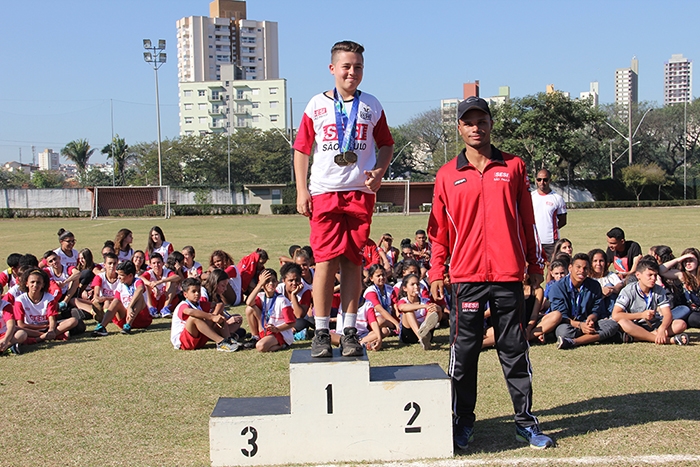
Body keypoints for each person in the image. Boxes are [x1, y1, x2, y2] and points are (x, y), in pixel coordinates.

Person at [427, 96, 552, 450]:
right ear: (459, 128)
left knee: (513, 348)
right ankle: (462, 422)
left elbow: (527, 219)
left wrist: (533, 264)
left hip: (508, 275)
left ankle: (525, 423)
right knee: (463, 354)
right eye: (469, 122)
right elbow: (439, 231)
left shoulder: (513, 166)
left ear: (491, 124)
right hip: (465, 278)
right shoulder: (447, 175)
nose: (476, 127)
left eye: (482, 121)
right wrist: (438, 270)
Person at [293, 40, 394, 358]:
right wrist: (301, 189)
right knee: (324, 263)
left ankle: (349, 330)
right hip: (324, 192)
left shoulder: (372, 105)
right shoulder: (316, 105)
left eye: (358, 66)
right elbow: (301, 149)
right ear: (332, 68)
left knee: (353, 262)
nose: (352, 72)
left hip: (360, 194)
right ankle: (322, 331)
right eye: (346, 66)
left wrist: (378, 171)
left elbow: (386, 144)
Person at [612, 256, 688, 345]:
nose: (653, 278)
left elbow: (668, 314)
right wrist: (641, 315)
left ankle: (637, 337)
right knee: (623, 322)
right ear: (638, 275)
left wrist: (662, 329)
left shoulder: (659, 290)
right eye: (650, 275)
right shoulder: (628, 290)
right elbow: (616, 315)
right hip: (634, 324)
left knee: (681, 324)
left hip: (653, 324)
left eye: (655, 275)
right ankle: (668, 340)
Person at [551, 253, 620, 349]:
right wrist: (580, 325)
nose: (582, 271)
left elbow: (597, 309)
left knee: (612, 325)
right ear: (570, 268)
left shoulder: (594, 285)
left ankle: (574, 342)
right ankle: (593, 337)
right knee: (563, 331)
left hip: (588, 323)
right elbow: (562, 315)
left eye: (585, 268)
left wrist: (591, 319)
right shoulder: (557, 287)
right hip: (570, 324)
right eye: (578, 267)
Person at [170, 278, 238, 352]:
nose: (197, 294)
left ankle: (228, 339)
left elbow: (219, 305)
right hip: (184, 342)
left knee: (219, 315)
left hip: (199, 340)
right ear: (185, 294)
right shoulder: (183, 305)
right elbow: (189, 312)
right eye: (193, 291)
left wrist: (215, 316)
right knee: (194, 318)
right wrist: (212, 317)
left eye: (199, 291)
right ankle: (221, 342)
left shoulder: (200, 304)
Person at [14, 268, 80, 343]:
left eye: (38, 282)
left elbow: (52, 319)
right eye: (32, 282)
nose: (35, 285)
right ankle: (48, 336)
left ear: (43, 285)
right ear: (26, 283)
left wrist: (51, 330)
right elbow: (21, 325)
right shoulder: (20, 300)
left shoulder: (49, 298)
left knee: (73, 321)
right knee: (15, 328)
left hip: (48, 328)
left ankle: (40, 338)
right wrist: (44, 327)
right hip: (30, 329)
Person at [92, 260, 152, 336]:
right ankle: (102, 326)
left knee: (140, 298)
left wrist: (130, 306)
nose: (118, 277)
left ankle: (128, 325)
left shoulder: (137, 281)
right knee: (116, 301)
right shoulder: (120, 285)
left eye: (121, 275)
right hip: (124, 317)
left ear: (130, 276)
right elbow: (116, 299)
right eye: (118, 274)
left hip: (140, 319)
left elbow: (140, 289)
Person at [244, 268, 296, 352]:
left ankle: (282, 345)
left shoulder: (282, 300)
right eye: (267, 281)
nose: (271, 283)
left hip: (280, 332)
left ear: (277, 283)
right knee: (250, 308)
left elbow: (292, 322)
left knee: (260, 347)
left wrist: (277, 329)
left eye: (273, 280)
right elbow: (249, 302)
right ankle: (255, 337)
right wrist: (259, 284)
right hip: (266, 329)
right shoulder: (261, 296)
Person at [397, 273, 441, 350]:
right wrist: (423, 306)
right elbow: (402, 308)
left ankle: (424, 335)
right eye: (412, 284)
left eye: (417, 284)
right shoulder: (403, 300)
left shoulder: (426, 301)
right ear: (405, 288)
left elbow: (438, 318)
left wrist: (438, 310)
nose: (416, 287)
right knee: (408, 312)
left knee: (432, 310)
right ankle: (421, 338)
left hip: (427, 334)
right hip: (408, 335)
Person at [530, 169, 567, 261]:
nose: (542, 182)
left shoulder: (557, 198)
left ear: (550, 180)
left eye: (545, 180)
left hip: (551, 242)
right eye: (539, 179)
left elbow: (563, 220)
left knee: (554, 268)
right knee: (532, 269)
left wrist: (551, 230)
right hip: (533, 240)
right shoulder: (530, 197)